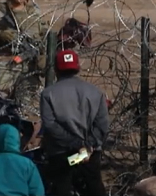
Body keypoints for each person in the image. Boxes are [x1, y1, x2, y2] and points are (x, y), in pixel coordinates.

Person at [40, 49, 109, 196]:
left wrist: (75, 143)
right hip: (88, 154)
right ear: (78, 67)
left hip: (61, 153)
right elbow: (102, 124)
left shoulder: (48, 94)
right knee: (94, 187)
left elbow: (50, 125)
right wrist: (87, 146)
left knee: (62, 188)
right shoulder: (95, 92)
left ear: (56, 69)